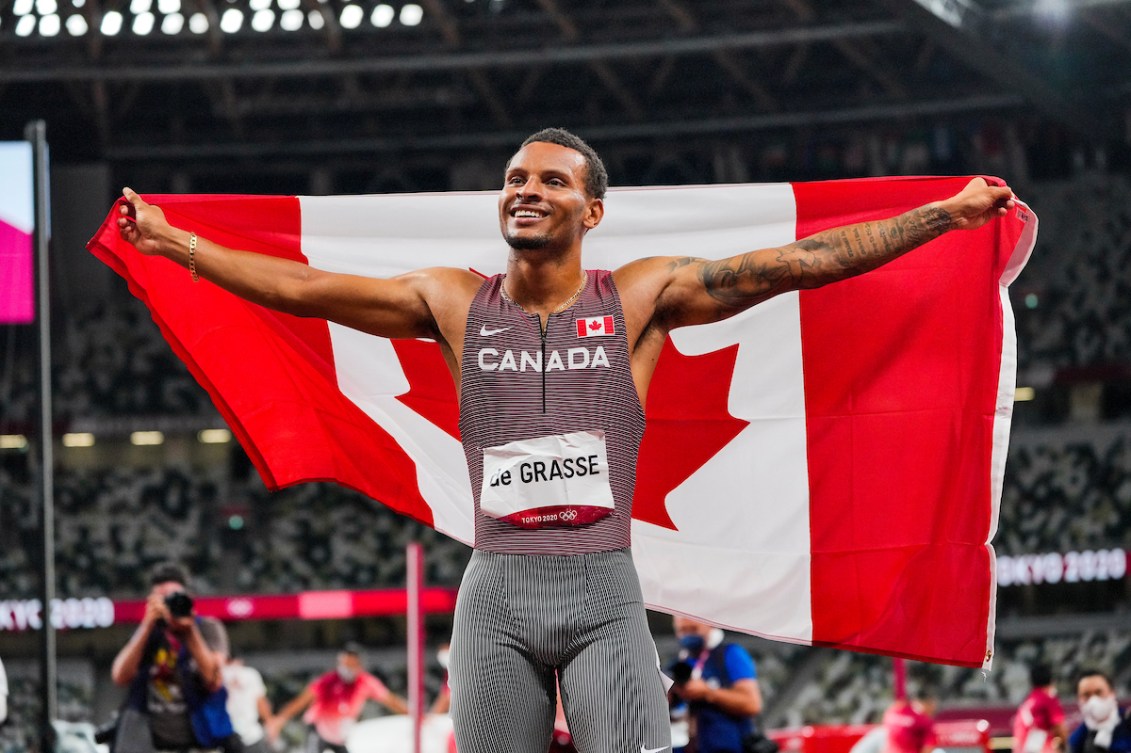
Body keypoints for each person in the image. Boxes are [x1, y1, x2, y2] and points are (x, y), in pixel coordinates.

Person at [116, 127, 1016, 753]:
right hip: (495, 591)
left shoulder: (636, 297)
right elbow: (303, 290)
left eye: (550, 180)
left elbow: (800, 264)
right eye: (515, 177)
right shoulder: (452, 301)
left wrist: (943, 215)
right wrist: (174, 243)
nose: (526, 189)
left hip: (602, 592)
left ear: (591, 210)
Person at [110, 561, 235, 752]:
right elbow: (120, 676)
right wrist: (147, 625)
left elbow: (213, 680)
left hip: (196, 740)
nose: (169, 603)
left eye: (174, 597)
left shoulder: (207, 628)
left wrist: (189, 631)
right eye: (162, 598)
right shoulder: (147, 633)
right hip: (149, 742)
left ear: (189, 598)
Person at [265, 643, 408, 753]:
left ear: (359, 665)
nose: (347, 668)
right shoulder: (328, 681)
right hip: (318, 728)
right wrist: (280, 719)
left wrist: (413, 713)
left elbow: (390, 700)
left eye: (351, 665)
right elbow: (301, 701)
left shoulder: (367, 682)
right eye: (344, 664)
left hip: (339, 734)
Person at [669, 616, 764, 753]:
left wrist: (708, 692)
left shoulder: (730, 654)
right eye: (682, 630)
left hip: (731, 746)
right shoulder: (679, 665)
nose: (688, 635)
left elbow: (752, 704)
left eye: (693, 629)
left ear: (710, 625)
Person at [221, 651, 274, 753]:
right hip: (250, 737)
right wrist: (269, 723)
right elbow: (261, 703)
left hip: (228, 738)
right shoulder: (250, 674)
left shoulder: (217, 674)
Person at [1067, 670, 1130, 753]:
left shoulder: (1127, 721)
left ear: (1112, 693)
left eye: (1098, 692)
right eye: (1086, 695)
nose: (1093, 700)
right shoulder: (1077, 740)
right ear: (1078, 699)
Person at [1013, 664, 1067, 753]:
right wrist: (1065, 747)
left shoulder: (1027, 701)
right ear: (1051, 680)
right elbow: (1060, 727)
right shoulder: (1049, 698)